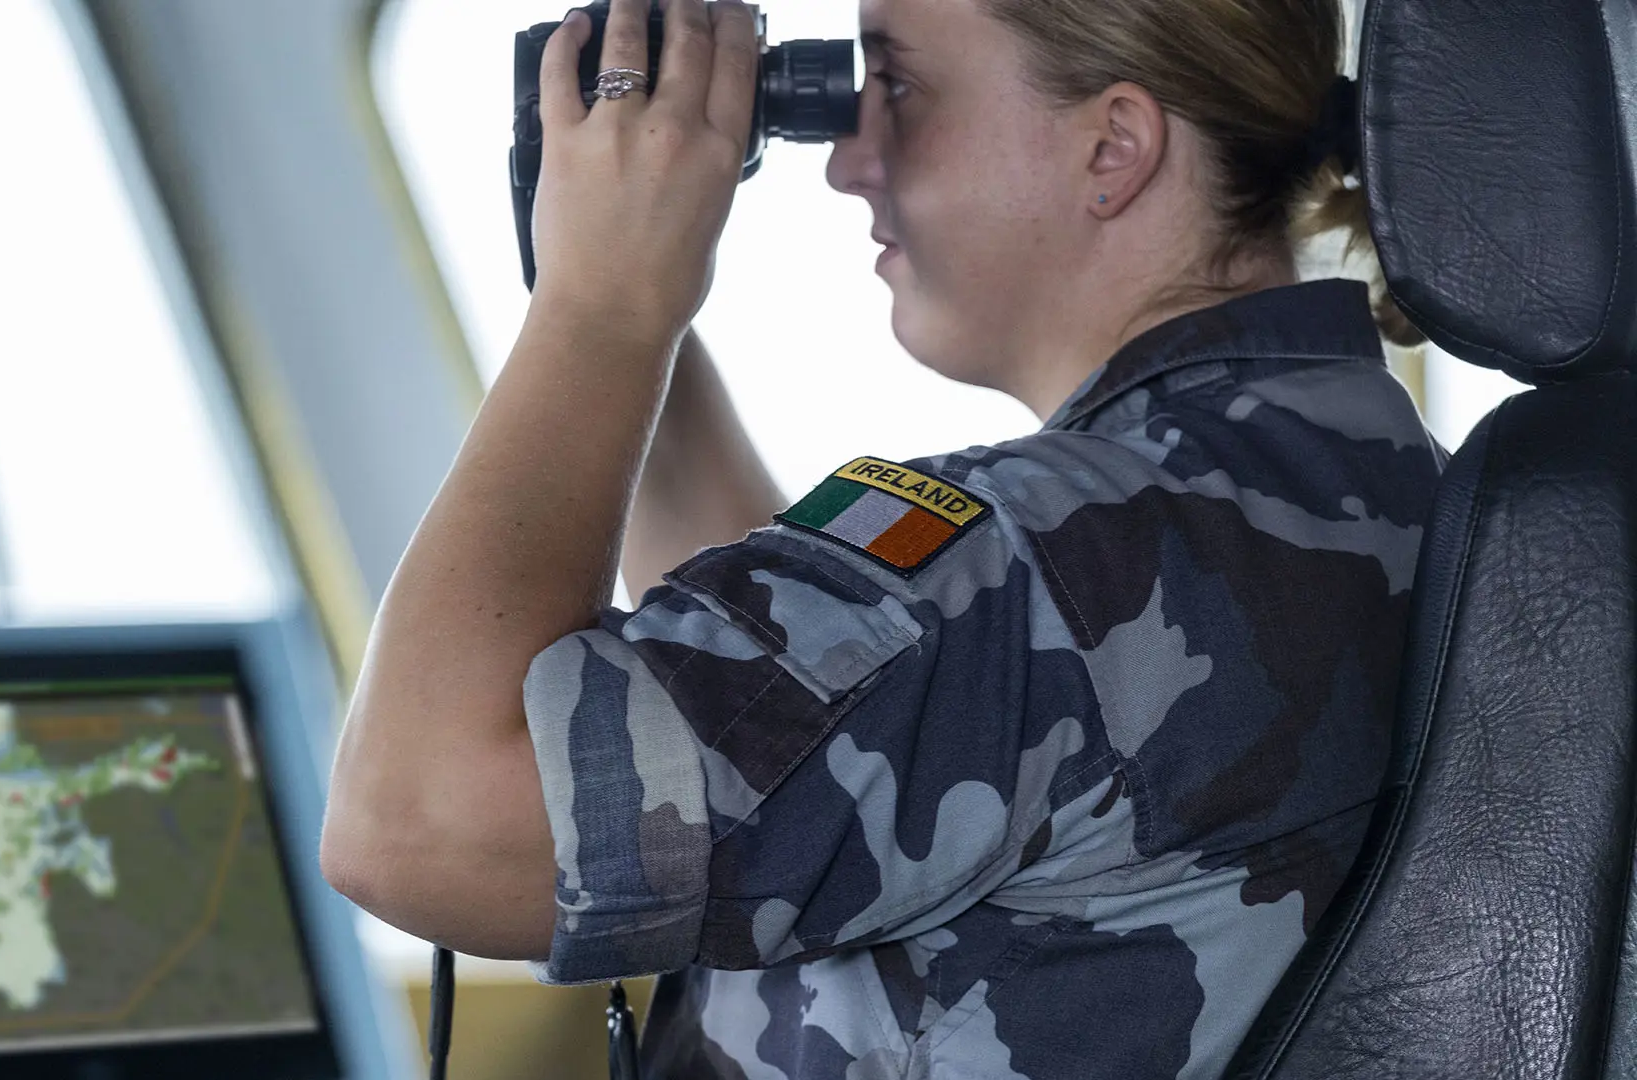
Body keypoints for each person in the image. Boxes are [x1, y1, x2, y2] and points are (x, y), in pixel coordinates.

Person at [319, 0, 1445, 1074]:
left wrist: (598, 309)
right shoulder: (1375, 482)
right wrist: (638, 314)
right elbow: (790, 734)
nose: (851, 158)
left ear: (1115, 148)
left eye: (898, 86)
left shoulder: (1042, 558)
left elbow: (417, 823)